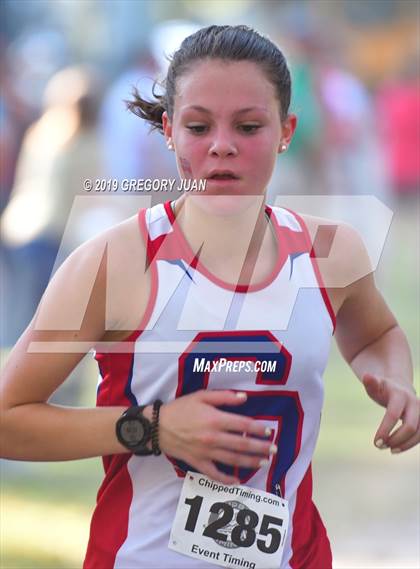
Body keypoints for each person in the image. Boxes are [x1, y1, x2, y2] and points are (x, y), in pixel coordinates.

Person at [1, 25, 418, 569]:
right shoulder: (114, 261)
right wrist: (152, 427)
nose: (222, 144)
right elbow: (8, 420)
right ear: (169, 131)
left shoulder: (332, 252)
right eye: (198, 126)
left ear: (286, 130)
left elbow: (377, 334)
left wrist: (395, 379)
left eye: (248, 126)